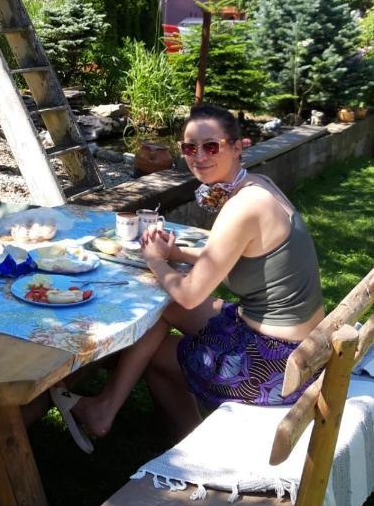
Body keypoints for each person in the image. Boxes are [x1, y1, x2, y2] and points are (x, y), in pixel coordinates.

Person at [53, 103, 324, 449]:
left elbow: (189, 295)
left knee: (153, 346)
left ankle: (185, 442)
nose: (199, 156)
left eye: (211, 146)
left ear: (239, 146)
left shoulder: (243, 207)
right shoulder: (258, 186)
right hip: (295, 347)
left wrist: (155, 261)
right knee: (161, 309)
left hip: (272, 366)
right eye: (189, 147)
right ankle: (111, 410)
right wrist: (175, 254)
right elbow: (223, 255)